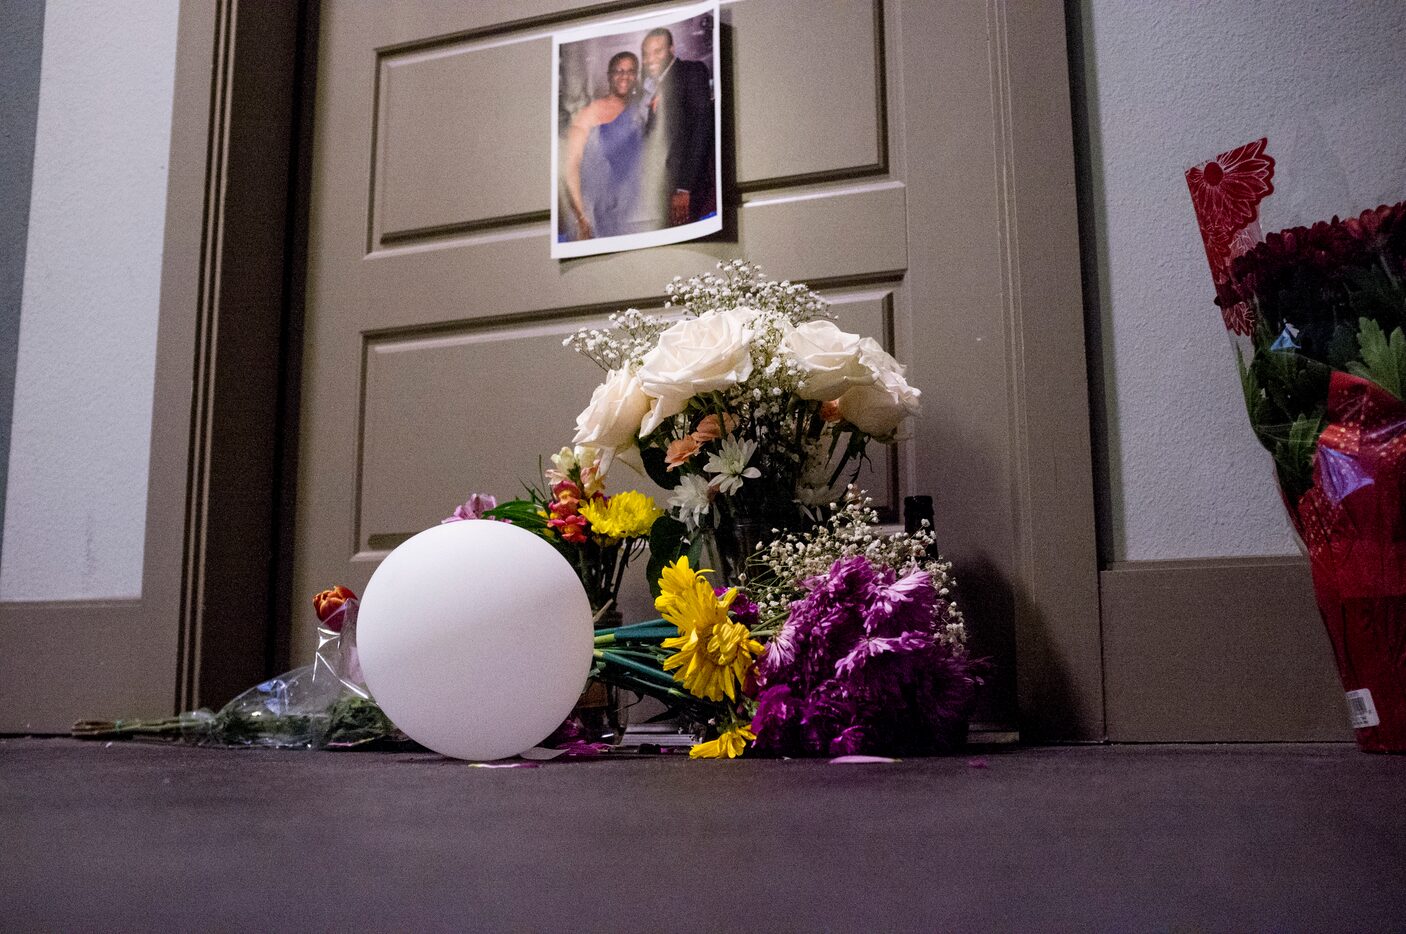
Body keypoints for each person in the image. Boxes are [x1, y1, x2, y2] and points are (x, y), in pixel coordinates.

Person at [562, 51, 643, 240]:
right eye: (619, 71)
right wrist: (581, 216)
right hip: (594, 216)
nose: (624, 76)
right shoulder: (589, 113)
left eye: (631, 71)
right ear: (609, 75)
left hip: (630, 214)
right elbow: (570, 168)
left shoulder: (639, 110)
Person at [639, 27, 714, 227]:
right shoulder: (650, 86)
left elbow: (702, 129)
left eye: (658, 51)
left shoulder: (692, 71)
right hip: (658, 193)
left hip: (684, 193)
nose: (650, 59)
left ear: (672, 49)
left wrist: (684, 188)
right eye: (646, 54)